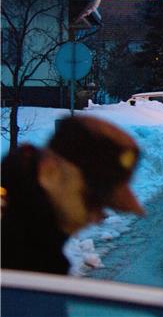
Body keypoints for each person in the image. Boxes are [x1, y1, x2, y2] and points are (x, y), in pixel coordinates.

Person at [1, 116, 145, 275]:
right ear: (50, 171)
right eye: (92, 200)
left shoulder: (35, 244)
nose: (99, 217)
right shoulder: (12, 247)